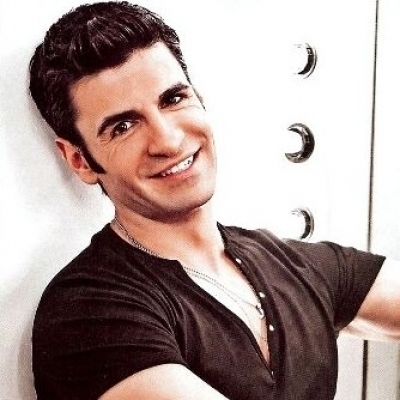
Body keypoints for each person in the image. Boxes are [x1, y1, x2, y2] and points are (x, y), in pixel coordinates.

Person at [29, 2, 400, 399]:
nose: (168, 140)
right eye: (124, 126)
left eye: (173, 99)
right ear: (80, 160)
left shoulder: (292, 265)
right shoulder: (88, 310)